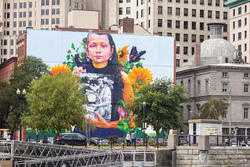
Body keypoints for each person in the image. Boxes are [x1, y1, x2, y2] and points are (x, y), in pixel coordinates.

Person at [73, 32, 134, 129]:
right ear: (87, 50)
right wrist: (74, 82)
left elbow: (131, 119)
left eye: (103, 46)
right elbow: (69, 111)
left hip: (113, 138)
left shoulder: (122, 77)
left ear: (111, 50)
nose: (98, 50)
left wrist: (108, 125)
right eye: (93, 46)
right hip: (81, 136)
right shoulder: (79, 75)